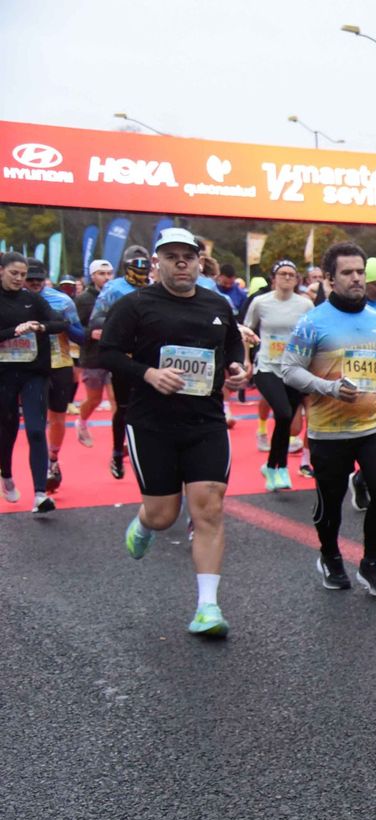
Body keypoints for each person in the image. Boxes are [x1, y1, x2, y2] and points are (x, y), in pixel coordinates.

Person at [94, 228, 249, 635]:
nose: (181, 262)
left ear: (199, 262)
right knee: (165, 515)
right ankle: (145, 522)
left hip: (206, 421)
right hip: (152, 425)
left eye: (189, 256)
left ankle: (208, 609)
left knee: (209, 508)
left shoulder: (217, 304)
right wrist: (148, 373)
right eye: (172, 256)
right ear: (158, 263)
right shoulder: (135, 305)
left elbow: (232, 346)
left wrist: (236, 369)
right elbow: (105, 352)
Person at [279, 242, 376, 596]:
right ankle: (330, 556)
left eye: (360, 271)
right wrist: (327, 387)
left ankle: (371, 563)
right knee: (331, 503)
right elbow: (289, 370)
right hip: (329, 430)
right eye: (347, 273)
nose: (357, 278)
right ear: (329, 278)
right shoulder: (312, 322)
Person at [0, 253, 68, 513]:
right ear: (1, 271)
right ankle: (6, 473)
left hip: (33, 373)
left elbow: (60, 323)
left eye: (23, 275)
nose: (19, 279)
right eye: (14, 274)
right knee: (7, 429)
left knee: (37, 430)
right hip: (4, 374)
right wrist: (13, 332)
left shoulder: (33, 299)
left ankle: (40, 494)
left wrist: (39, 327)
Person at [244, 260, 315, 491]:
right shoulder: (260, 302)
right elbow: (246, 331)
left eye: (291, 275)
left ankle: (273, 467)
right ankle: (280, 466)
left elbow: (314, 335)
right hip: (267, 366)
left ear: (297, 280)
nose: (286, 278)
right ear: (273, 278)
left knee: (285, 420)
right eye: (282, 274)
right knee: (284, 413)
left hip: (294, 367)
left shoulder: (305, 305)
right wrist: (245, 359)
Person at [90, 247, 153, 480]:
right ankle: (117, 451)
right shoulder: (113, 288)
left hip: (149, 355)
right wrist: (112, 329)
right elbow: (95, 319)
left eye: (144, 269)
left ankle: (148, 451)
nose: (140, 273)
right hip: (124, 355)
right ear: (126, 268)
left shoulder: (155, 287)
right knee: (124, 407)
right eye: (135, 269)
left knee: (150, 404)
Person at [24, 260, 86, 495]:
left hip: (59, 364)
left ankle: (53, 460)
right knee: (33, 423)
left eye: (39, 279)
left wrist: (64, 325)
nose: (35, 283)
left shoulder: (62, 300)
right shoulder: (12, 299)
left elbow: (81, 337)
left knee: (57, 418)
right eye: (30, 279)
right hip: (26, 366)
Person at [75, 258, 114, 449]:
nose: (106, 278)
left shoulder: (116, 294)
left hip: (115, 355)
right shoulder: (83, 299)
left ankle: (120, 443)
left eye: (109, 274)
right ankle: (81, 421)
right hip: (93, 356)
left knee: (117, 401)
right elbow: (74, 328)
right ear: (93, 276)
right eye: (101, 274)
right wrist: (91, 333)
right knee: (94, 399)